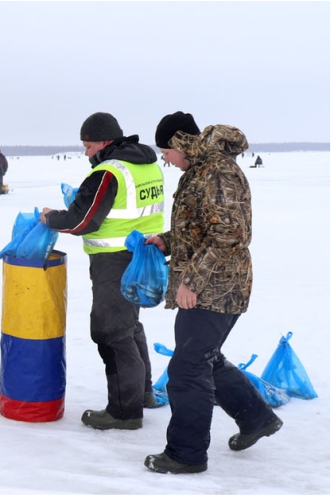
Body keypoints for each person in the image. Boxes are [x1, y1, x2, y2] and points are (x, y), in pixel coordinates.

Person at [143, 112, 282, 474]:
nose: (166, 160)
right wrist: (166, 241)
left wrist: (192, 281)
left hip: (217, 286)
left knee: (188, 368)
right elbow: (202, 229)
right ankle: (256, 418)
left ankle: (185, 454)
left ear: (178, 144)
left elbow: (230, 236)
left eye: (165, 152)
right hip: (213, 282)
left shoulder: (217, 172)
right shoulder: (202, 169)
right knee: (204, 356)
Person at [39, 112, 164, 430]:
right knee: (129, 326)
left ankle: (125, 410)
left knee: (111, 332)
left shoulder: (109, 172)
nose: (86, 153)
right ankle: (143, 393)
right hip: (144, 255)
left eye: (89, 145)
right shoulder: (147, 164)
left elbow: (83, 221)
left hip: (114, 261)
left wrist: (52, 217)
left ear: (105, 142)